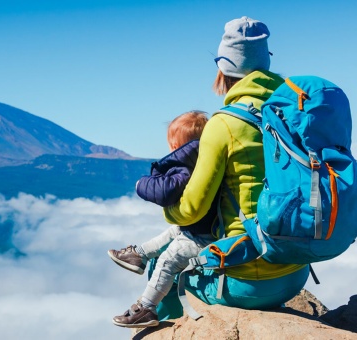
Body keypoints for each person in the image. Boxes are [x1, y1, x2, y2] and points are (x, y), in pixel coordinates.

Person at [161, 16, 309, 312]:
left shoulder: (223, 124)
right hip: (296, 272)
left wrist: (168, 210)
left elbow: (192, 209)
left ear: (223, 67)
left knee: (164, 260)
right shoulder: (294, 111)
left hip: (245, 281)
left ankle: (164, 326)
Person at [108, 111, 218, 328]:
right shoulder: (207, 162)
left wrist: (142, 184)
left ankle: (147, 308)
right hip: (202, 228)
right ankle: (138, 255)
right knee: (175, 231)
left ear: (178, 145)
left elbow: (166, 191)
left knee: (167, 260)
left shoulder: (188, 166)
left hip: (203, 238)